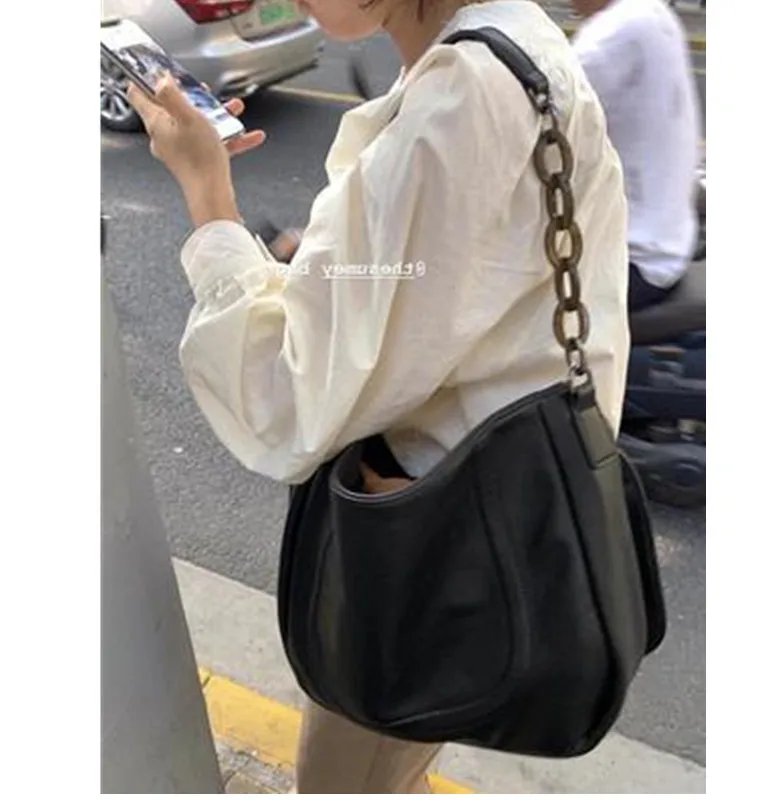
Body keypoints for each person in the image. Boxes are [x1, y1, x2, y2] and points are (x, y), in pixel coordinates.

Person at [128, 0, 630, 792]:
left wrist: (206, 192)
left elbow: (287, 397)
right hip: (487, 534)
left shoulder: (458, 101)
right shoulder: (515, 44)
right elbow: (453, 283)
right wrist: (331, 269)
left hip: (426, 563)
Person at [571, 0, 702, 311]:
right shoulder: (653, 14)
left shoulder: (614, 33)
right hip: (665, 242)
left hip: (632, 259)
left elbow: (541, 116)